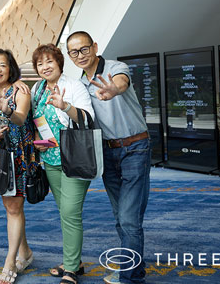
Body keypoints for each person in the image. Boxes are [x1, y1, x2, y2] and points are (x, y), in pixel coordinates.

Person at [66, 31, 150, 284]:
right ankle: (134, 268)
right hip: (106, 152)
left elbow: (121, 82)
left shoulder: (115, 67)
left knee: (128, 218)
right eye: (73, 52)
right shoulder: (79, 84)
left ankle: (129, 277)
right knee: (121, 217)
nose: (80, 55)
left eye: (84, 49)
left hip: (135, 148)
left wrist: (114, 89)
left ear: (95, 47)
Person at [30, 44, 95, 284]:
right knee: (64, 212)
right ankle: (74, 261)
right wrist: (38, 143)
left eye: (49, 62)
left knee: (70, 212)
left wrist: (65, 106)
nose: (45, 67)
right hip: (50, 160)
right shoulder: (37, 88)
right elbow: (35, 121)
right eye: (40, 64)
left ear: (59, 63)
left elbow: (88, 119)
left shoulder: (74, 85)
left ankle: (71, 269)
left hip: (75, 159)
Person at [0, 48, 36, 284]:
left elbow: (21, 117)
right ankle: (25, 252)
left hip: (17, 156)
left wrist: (8, 109)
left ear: (10, 67)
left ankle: (10, 261)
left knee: (14, 208)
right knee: (11, 207)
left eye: (2, 65)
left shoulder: (19, 90)